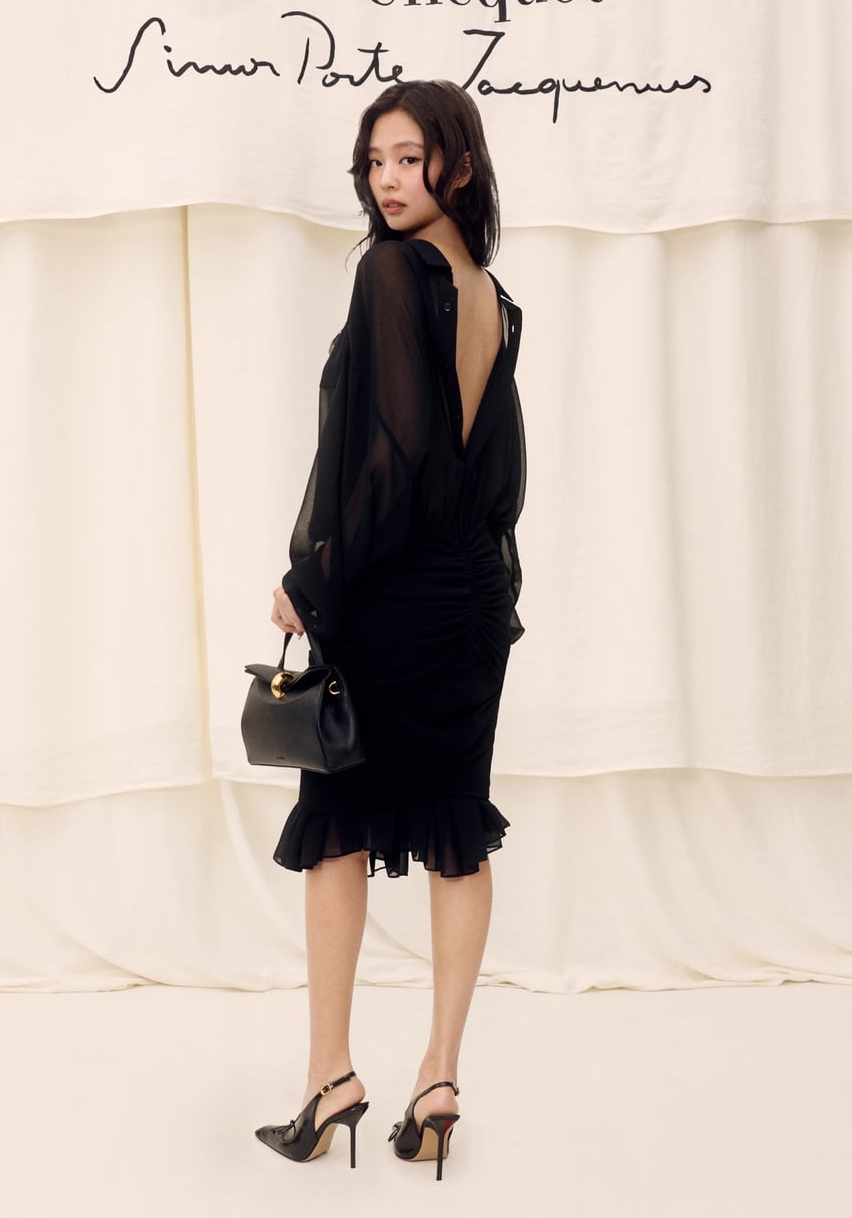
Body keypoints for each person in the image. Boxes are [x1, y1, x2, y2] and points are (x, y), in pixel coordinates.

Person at [254, 80, 525, 1180]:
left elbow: (395, 456)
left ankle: (331, 1076)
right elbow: (491, 473)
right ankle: (440, 1079)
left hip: (395, 597)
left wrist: (312, 578)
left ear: (457, 163)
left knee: (337, 825)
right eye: (375, 162)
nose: (388, 181)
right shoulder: (491, 293)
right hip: (472, 602)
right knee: (457, 824)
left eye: (409, 158)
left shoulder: (390, 272)